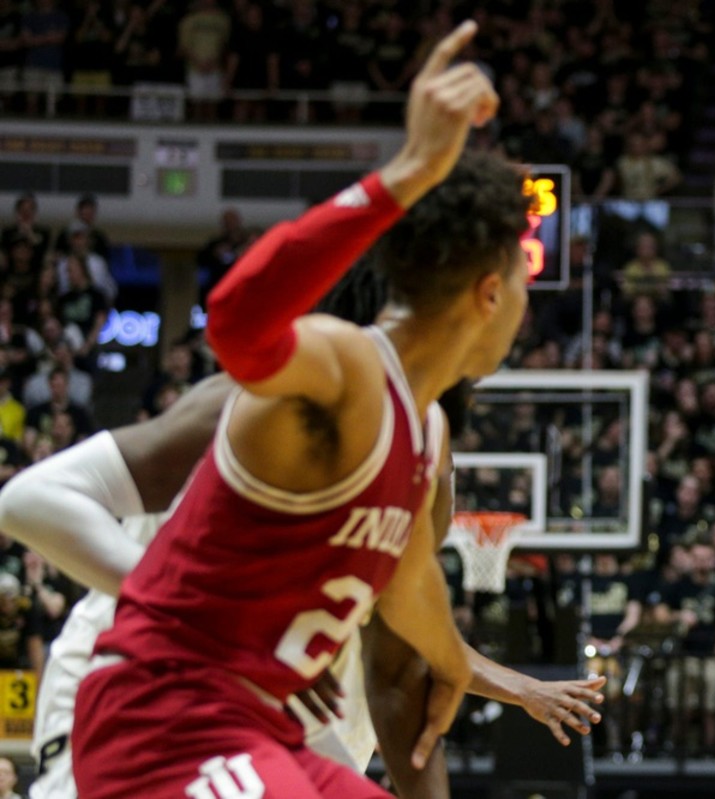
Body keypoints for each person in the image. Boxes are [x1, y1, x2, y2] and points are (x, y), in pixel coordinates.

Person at [67, 22, 523, 799]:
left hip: (258, 728)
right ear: (488, 294)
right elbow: (236, 320)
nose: (523, 309)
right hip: (161, 710)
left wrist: (451, 662)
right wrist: (407, 172)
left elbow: (411, 587)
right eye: (520, 282)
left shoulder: (427, 428)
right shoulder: (345, 365)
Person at [0, 371, 605, 799]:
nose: (436, 490)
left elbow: (408, 650)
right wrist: (219, 624)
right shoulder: (256, 412)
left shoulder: (401, 491)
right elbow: (30, 501)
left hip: (275, 722)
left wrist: (523, 688)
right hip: (144, 691)